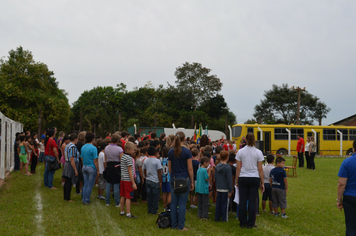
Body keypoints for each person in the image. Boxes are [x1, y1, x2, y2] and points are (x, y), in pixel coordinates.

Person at [235, 133, 264, 229]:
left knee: (242, 201)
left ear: (245, 140)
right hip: (254, 177)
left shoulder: (240, 151)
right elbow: (260, 169)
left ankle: (242, 222)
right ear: (254, 140)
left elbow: (238, 168)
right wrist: (262, 182)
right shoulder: (258, 152)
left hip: (243, 177)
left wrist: (236, 180)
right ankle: (251, 223)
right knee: (253, 201)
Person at [168, 131, 194, 231]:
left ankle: (174, 225)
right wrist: (191, 181)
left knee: (174, 203)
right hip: (184, 179)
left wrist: (172, 176)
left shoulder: (171, 151)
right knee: (182, 203)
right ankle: (181, 226)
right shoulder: (187, 151)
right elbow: (190, 168)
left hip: (174, 178)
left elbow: (169, 167)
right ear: (184, 139)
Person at [337, 140, 356, 235]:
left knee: (351, 227)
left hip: (350, 197)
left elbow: (341, 183)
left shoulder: (347, 162)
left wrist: (338, 199)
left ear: (353, 149)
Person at [104, 134, 123, 207]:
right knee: (116, 185)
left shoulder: (106, 148)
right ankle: (117, 202)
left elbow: (106, 159)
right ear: (118, 141)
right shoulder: (119, 149)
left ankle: (107, 202)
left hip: (109, 166)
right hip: (117, 167)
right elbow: (121, 160)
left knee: (108, 184)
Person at [120, 142, 137, 218]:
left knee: (123, 195)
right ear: (128, 149)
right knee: (128, 197)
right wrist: (133, 182)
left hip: (123, 179)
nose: (134, 151)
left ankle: (122, 211)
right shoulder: (129, 158)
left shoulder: (123, 156)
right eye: (133, 150)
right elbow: (130, 171)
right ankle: (128, 213)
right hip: (128, 180)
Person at [81, 132, 99, 205]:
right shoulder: (94, 148)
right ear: (92, 139)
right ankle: (87, 200)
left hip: (84, 166)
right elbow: (95, 160)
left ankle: (83, 199)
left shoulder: (83, 147)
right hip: (91, 167)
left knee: (85, 183)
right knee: (90, 185)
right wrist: (97, 169)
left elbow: (81, 157)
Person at [143, 146, 162, 214]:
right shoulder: (157, 161)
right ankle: (154, 210)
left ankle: (149, 209)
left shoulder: (145, 160)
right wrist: (160, 181)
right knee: (155, 197)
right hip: (155, 180)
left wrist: (146, 176)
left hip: (148, 179)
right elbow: (159, 172)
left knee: (149, 196)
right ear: (155, 152)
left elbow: (144, 170)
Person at [214, 150, 233, 222]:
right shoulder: (228, 167)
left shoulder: (217, 166)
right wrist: (230, 190)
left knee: (218, 204)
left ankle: (217, 217)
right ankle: (224, 218)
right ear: (227, 157)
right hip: (225, 188)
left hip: (219, 187)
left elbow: (215, 177)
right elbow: (229, 179)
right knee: (225, 204)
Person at [62, 134, 80, 202]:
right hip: (70, 165)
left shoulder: (67, 145)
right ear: (75, 139)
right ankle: (68, 198)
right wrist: (75, 169)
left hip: (67, 163)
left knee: (67, 181)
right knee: (69, 181)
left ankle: (66, 197)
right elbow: (72, 158)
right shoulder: (73, 147)